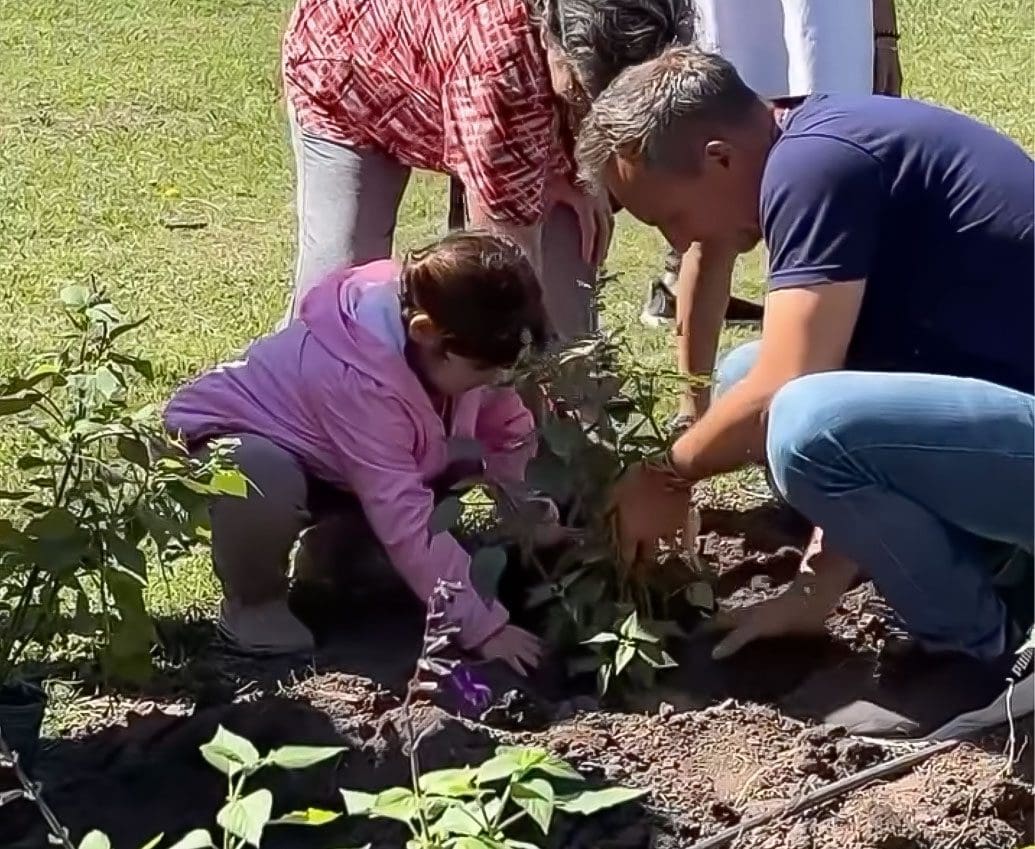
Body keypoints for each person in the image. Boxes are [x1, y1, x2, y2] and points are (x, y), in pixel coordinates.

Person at [576, 48, 1034, 737]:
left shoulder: (815, 167)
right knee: (749, 379)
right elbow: (828, 383)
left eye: (668, 217)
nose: (679, 241)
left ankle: (975, 652)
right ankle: (997, 569)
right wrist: (813, 589)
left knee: (787, 409)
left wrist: (663, 475)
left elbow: (794, 396)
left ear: (719, 156)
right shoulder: (813, 143)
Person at [165, 232, 557, 673]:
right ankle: (253, 606)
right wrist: (484, 627)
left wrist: (525, 510)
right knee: (258, 474)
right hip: (236, 441)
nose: (494, 380)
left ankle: (332, 560)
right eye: (484, 369)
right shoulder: (356, 378)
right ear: (425, 332)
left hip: (333, 461)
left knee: (431, 481)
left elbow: (506, 429)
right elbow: (403, 513)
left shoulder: (454, 333)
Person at [281, 0, 691, 340]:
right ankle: (274, 415)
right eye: (587, 97)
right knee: (338, 297)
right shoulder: (500, 68)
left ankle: (571, 416)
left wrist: (574, 162)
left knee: (573, 258)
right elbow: (506, 268)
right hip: (349, 72)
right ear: (554, 37)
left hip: (478, 65)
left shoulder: (653, 15)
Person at [638, 0, 902, 430]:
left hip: (825, 17)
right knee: (712, 211)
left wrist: (883, 35)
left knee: (825, 184)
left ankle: (834, 397)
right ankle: (693, 408)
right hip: (734, 16)